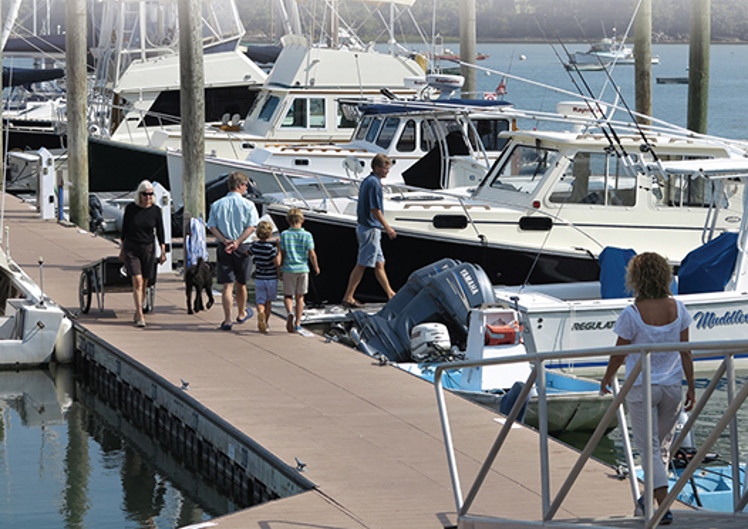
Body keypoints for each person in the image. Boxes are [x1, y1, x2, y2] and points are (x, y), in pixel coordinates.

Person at [600, 252, 695, 525]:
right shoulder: (679, 309)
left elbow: (619, 353)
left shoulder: (632, 313)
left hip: (642, 387)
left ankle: (663, 506)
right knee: (662, 448)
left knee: (649, 448)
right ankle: (647, 501)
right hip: (672, 386)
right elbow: (686, 352)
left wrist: (607, 377)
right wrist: (691, 386)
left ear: (636, 278)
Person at [341, 153, 397, 308]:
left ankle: (390, 294)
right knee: (362, 264)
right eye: (385, 168)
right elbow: (375, 210)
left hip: (368, 228)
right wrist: (388, 228)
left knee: (380, 264)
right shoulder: (374, 183)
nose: (387, 171)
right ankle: (348, 297)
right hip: (370, 229)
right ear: (376, 167)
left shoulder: (368, 180)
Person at [207, 171, 259, 331]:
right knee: (241, 283)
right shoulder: (248, 205)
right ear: (240, 185)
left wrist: (224, 240)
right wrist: (237, 242)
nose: (247, 189)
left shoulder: (217, 204)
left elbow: (212, 226)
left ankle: (227, 319)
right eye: (246, 186)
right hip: (243, 247)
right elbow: (251, 227)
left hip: (224, 246)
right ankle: (241, 313)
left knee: (227, 285)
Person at [119, 180, 166, 328]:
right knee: (137, 280)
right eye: (145, 194)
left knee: (145, 283)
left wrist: (163, 251)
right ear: (140, 194)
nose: (148, 197)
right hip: (132, 247)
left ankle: (138, 308)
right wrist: (122, 249)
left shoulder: (156, 210)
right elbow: (124, 230)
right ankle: (140, 313)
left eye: (151, 194)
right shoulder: (131, 209)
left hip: (148, 248)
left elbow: (160, 231)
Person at [280, 208, 319, 333]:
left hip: (288, 268)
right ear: (302, 220)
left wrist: (280, 268)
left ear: (288, 220)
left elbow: (282, 252)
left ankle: (289, 313)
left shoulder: (284, 234)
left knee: (288, 295)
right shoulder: (307, 235)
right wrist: (316, 266)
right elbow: (312, 253)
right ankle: (297, 323)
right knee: (300, 297)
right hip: (302, 268)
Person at [248, 220, 280, 333]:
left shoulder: (255, 246)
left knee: (260, 301)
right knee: (268, 302)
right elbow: (277, 262)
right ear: (270, 234)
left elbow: (247, 253)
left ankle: (260, 312)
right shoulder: (270, 248)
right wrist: (279, 249)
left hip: (259, 277)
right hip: (271, 278)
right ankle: (266, 322)